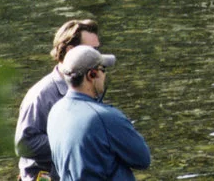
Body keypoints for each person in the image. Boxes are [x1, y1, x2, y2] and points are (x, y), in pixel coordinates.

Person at [46, 45, 151, 181]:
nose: (105, 75)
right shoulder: (106, 118)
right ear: (91, 75)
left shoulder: (55, 111)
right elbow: (143, 160)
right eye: (103, 70)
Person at [15, 18, 101, 181]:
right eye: (91, 51)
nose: (98, 57)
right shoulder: (41, 94)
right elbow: (24, 145)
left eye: (98, 50)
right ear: (70, 51)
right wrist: (73, 140)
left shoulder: (91, 84)